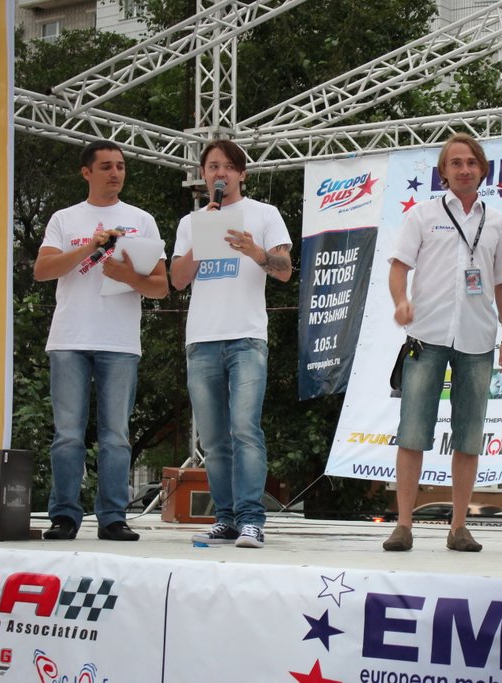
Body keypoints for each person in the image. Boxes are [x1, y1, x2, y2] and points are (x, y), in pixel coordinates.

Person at [383, 133, 502, 553]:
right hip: (427, 336)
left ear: (482, 169)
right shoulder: (422, 214)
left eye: (471, 162)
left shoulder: (496, 221)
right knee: (412, 433)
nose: (464, 169)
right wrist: (400, 301)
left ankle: (459, 527)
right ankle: (403, 525)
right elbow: (398, 268)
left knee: (469, 437)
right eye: (455, 163)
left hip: (478, 339)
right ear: (443, 171)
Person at [34, 140, 169, 541]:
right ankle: (63, 515)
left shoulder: (141, 220)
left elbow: (160, 287)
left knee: (116, 435)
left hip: (119, 340)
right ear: (86, 172)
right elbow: (42, 270)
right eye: (107, 166)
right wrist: (91, 247)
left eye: (121, 166)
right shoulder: (64, 219)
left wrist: (127, 275)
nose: (115, 173)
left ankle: (112, 517)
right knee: (68, 434)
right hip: (70, 337)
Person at [171, 139, 292, 548]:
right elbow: (178, 280)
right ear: (203, 175)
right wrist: (202, 238)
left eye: (227, 166)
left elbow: (284, 270)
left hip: (246, 338)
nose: (219, 173)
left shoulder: (264, 214)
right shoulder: (191, 222)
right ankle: (225, 519)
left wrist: (255, 251)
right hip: (201, 339)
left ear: (242, 173)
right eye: (212, 167)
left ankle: (252, 519)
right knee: (213, 439)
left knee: (245, 429)